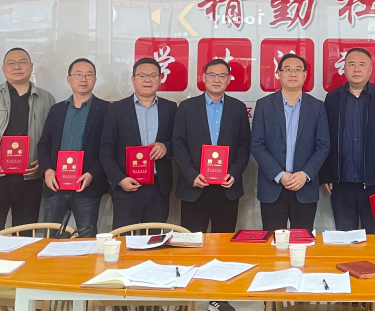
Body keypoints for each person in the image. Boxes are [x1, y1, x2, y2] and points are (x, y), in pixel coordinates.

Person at [0, 48, 56, 234]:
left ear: (31, 66)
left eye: (22, 62)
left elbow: (53, 136)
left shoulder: (46, 98)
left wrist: (44, 162)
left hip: (30, 178)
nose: (17, 67)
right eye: (11, 62)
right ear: (3, 68)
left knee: (25, 234)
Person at [320, 48, 375, 234]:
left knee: (374, 236)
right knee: (344, 238)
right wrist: (326, 174)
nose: (356, 69)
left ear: (370, 70)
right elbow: (323, 138)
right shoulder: (332, 98)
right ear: (344, 69)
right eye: (351, 64)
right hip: (340, 184)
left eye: (362, 65)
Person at [251, 54, 330, 231]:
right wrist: (279, 174)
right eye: (287, 69)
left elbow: (323, 146)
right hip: (273, 186)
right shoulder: (264, 105)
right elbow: (256, 145)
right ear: (279, 74)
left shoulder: (317, 107)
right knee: (272, 241)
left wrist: (305, 174)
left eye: (297, 70)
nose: (292, 74)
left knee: (302, 242)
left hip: (305, 187)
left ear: (305, 75)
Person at [173, 59, 251, 234]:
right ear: (204, 77)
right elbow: (178, 144)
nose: (217, 79)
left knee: (223, 243)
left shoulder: (238, 108)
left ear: (229, 79)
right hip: (195, 186)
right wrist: (191, 175)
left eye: (222, 76)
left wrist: (234, 173)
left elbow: (244, 145)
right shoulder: (186, 107)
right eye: (212, 75)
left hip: (227, 187)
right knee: (192, 242)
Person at [99, 58, 176, 229]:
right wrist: (119, 179)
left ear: (160, 79)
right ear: (133, 79)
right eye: (142, 75)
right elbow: (105, 149)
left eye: (153, 75)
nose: (148, 80)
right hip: (127, 186)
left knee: (155, 238)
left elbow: (179, 143)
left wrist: (166, 147)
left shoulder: (170, 108)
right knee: (125, 240)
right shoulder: (116, 109)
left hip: (158, 187)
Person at [37, 58, 109, 237]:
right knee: (51, 239)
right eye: (78, 74)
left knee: (86, 238)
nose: (83, 79)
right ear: (69, 79)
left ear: (95, 79)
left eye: (89, 75)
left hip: (86, 186)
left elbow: (108, 149)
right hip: (56, 185)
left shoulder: (106, 110)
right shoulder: (57, 110)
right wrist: (48, 171)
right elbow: (44, 144)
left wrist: (92, 174)